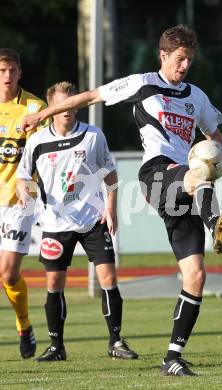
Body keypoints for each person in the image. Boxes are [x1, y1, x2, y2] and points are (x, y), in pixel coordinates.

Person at [21, 25, 222, 375]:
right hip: (157, 174)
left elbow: (214, 136)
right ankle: (216, 225)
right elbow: (89, 97)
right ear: (163, 55)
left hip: (185, 188)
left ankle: (172, 357)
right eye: (180, 59)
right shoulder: (142, 83)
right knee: (198, 173)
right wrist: (41, 115)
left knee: (195, 275)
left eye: (189, 60)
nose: (184, 66)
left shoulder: (196, 96)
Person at [16, 81, 138, 362]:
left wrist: (111, 209)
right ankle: (56, 347)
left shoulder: (93, 136)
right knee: (55, 283)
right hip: (56, 223)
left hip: (92, 218)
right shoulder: (37, 141)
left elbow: (109, 174)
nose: (69, 109)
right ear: (52, 109)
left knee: (108, 277)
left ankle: (116, 341)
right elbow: (23, 177)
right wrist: (26, 193)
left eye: (73, 103)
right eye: (63, 104)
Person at [0, 48, 49, 359]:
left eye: (12, 70)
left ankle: (24, 325)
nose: (7, 76)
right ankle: (26, 329)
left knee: (7, 273)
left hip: (20, 199)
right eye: (2, 70)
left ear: (20, 73)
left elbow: (47, 152)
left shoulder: (35, 107)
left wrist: (34, 188)